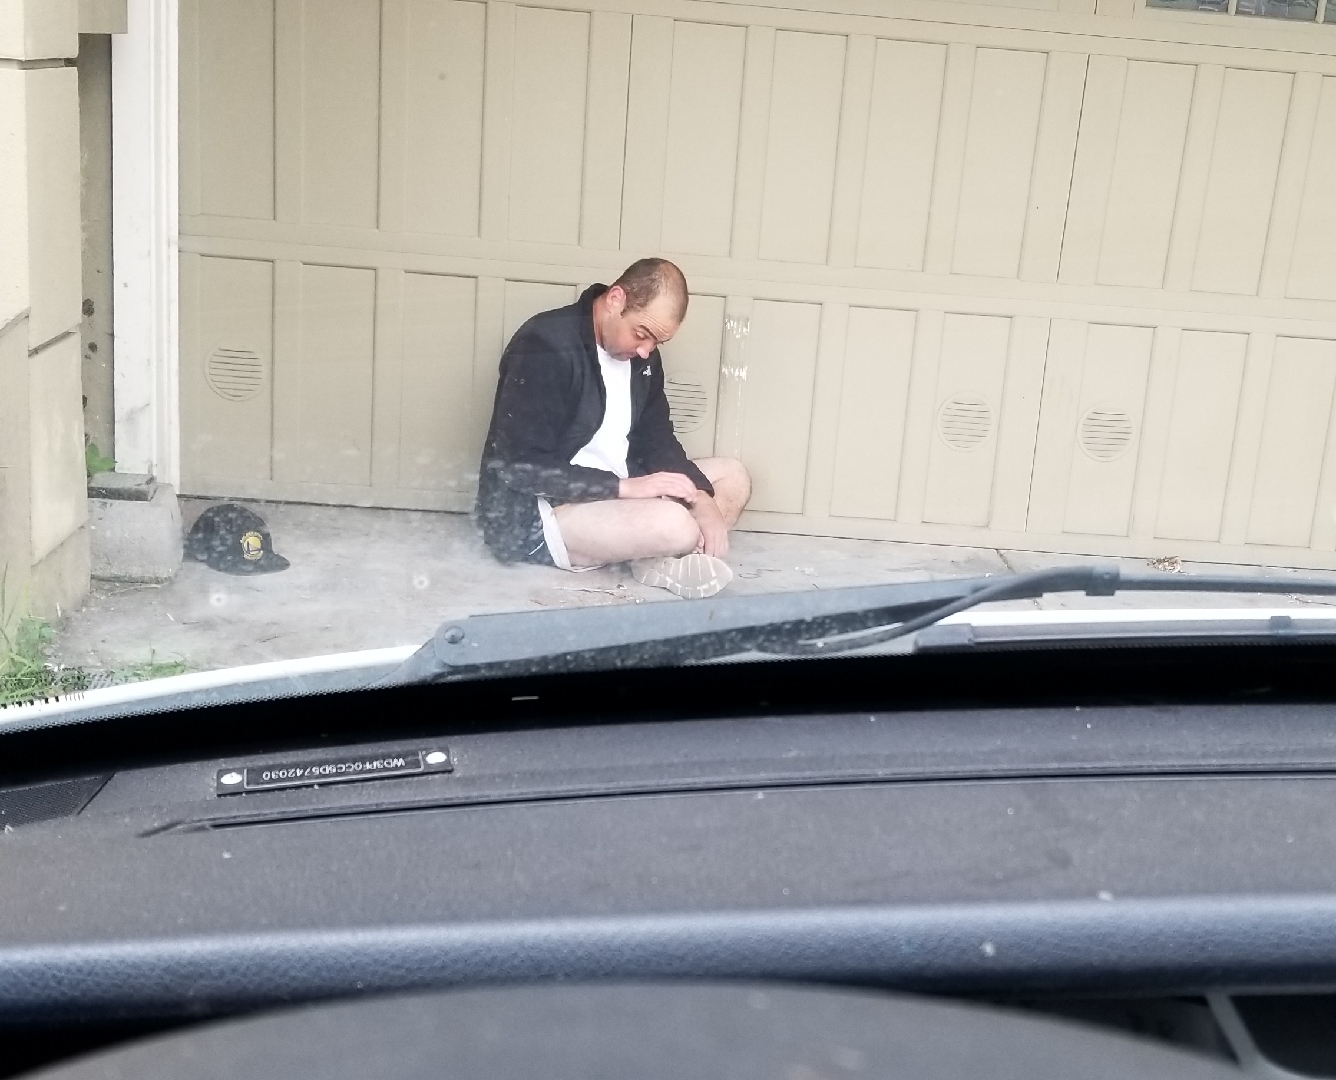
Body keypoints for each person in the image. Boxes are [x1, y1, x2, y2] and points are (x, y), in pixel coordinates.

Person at [475, 258, 751, 599]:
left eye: (657, 343)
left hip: (621, 491)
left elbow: (656, 439)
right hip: (548, 513)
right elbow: (519, 465)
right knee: (676, 524)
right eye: (641, 334)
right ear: (616, 299)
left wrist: (704, 501)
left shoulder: (642, 358)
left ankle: (656, 558)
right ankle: (665, 550)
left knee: (733, 478)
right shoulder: (544, 345)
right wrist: (627, 488)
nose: (646, 351)